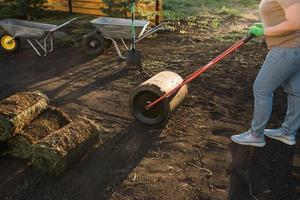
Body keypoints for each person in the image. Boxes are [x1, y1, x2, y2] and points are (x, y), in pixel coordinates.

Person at [231, 0, 300, 147]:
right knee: (295, 91)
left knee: (262, 89)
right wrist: (266, 26)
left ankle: (256, 135)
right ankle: (288, 133)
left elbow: (295, 23)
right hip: (292, 48)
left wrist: (265, 31)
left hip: (286, 49)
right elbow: (284, 16)